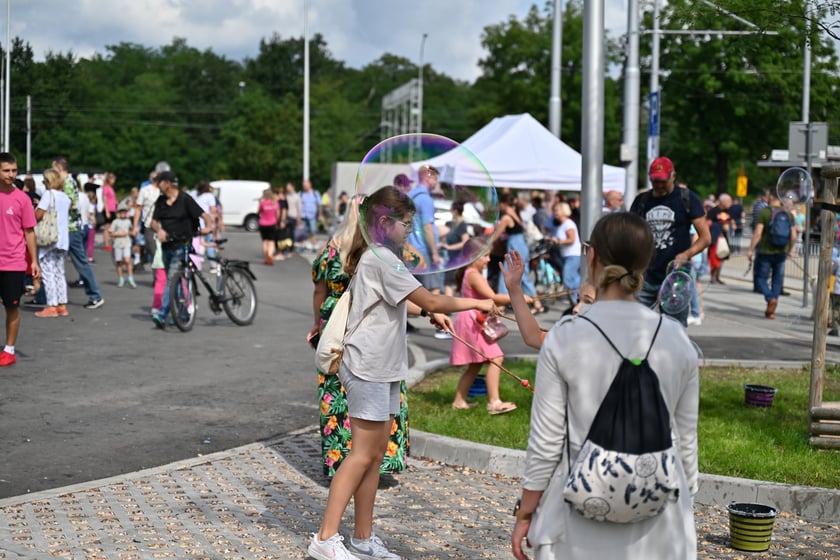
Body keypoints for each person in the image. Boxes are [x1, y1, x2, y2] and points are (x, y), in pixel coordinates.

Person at [307, 185, 497, 560]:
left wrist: (429, 311)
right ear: (384, 222)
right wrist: (478, 302)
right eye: (406, 223)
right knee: (361, 454)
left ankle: (363, 539)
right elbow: (430, 297)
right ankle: (325, 539)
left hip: (383, 365)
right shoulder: (381, 258)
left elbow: (405, 302)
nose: (410, 230)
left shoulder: (382, 257)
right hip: (367, 365)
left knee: (375, 454)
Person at [511, 212, 699, 560]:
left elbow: (546, 443)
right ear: (646, 263)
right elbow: (686, 441)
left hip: (579, 523)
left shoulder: (566, 337)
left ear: (592, 256)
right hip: (661, 526)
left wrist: (526, 513)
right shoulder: (676, 339)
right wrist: (685, 502)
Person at [310, 198, 409, 478]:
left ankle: (340, 459)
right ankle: (377, 461)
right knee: (379, 398)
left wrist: (317, 323)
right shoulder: (379, 253)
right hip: (371, 327)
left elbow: (319, 289)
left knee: (336, 391)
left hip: (335, 319)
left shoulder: (332, 249)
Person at [450, 239, 527, 414]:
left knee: (476, 364)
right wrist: (519, 297)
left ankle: (459, 401)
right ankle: (494, 402)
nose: (488, 260)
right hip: (472, 321)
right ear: (473, 257)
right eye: (485, 256)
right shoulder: (473, 275)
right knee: (496, 357)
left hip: (471, 320)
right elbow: (492, 297)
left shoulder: (470, 273)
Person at [630, 156, 709, 326]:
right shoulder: (642, 201)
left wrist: (686, 254)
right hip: (645, 276)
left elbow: (705, 237)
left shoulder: (687, 198)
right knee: (635, 326)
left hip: (676, 277)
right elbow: (629, 235)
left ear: (673, 176)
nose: (659, 185)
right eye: (655, 181)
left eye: (663, 181)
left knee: (674, 327)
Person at [149, 171, 213, 329]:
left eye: (159, 182)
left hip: (182, 245)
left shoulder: (185, 199)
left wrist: (208, 227)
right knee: (175, 283)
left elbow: (205, 216)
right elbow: (153, 222)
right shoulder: (161, 201)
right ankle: (182, 313)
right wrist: (159, 230)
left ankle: (162, 314)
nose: (157, 185)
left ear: (167, 183)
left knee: (172, 280)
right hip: (166, 246)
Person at [0, 152, 40, 365]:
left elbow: (29, 232)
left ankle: (9, 350)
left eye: (14, 170)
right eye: (6, 170)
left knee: (12, 306)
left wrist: (34, 261)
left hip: (13, 262)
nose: (11, 174)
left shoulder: (22, 199)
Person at [53, 156, 105, 309]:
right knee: (54, 261)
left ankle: (95, 295)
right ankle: (45, 295)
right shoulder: (69, 182)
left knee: (79, 262)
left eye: (54, 168)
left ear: (59, 168)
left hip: (71, 228)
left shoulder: (68, 182)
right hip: (70, 228)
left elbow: (68, 204)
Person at [747, 191, 796, 320]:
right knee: (777, 280)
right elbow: (793, 236)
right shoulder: (788, 214)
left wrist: (750, 249)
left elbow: (758, 233)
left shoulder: (765, 212)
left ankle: (770, 298)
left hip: (765, 251)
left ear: (771, 197)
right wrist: (789, 250)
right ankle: (772, 308)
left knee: (760, 278)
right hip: (781, 252)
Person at [496, 193, 545, 314]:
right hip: (521, 245)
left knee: (507, 273)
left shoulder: (507, 217)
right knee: (523, 274)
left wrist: (486, 244)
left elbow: (496, 234)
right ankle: (537, 303)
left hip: (514, 246)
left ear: (504, 204)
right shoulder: (517, 214)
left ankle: (502, 304)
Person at [33, 169, 72, 318]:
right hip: (62, 238)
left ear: (49, 181)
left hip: (49, 237)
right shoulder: (65, 197)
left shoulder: (48, 194)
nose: (43, 183)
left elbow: (39, 215)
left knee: (48, 272)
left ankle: (51, 305)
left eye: (44, 181)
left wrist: (35, 209)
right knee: (59, 272)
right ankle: (62, 304)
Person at [547, 202, 581, 306]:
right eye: (554, 210)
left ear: (564, 211)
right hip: (565, 255)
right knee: (574, 277)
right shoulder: (559, 225)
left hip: (573, 254)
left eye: (557, 210)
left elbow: (571, 239)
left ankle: (575, 300)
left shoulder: (568, 224)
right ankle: (576, 299)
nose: (555, 213)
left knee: (568, 277)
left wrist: (558, 241)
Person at [440, 200, 470, 297]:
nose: (450, 212)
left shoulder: (462, 225)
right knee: (450, 284)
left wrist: (449, 247)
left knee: (448, 284)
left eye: (451, 210)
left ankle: (449, 304)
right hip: (452, 258)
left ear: (455, 211)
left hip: (457, 259)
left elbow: (465, 242)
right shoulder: (454, 224)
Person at [706, 193, 732, 285]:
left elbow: (729, 221)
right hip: (715, 238)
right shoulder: (714, 211)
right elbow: (708, 223)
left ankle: (717, 277)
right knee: (714, 257)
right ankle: (712, 277)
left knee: (722, 256)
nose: (730, 203)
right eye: (728, 201)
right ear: (722, 201)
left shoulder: (727, 211)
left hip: (724, 238)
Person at [192, 180, 219, 266]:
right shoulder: (209, 196)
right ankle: (213, 264)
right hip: (206, 223)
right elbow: (213, 210)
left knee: (197, 243)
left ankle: (196, 262)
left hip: (194, 223)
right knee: (209, 244)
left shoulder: (193, 194)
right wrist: (213, 224)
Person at [109, 204, 136, 288]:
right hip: (118, 244)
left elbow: (132, 231)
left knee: (127, 261)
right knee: (119, 262)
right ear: (118, 213)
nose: (123, 214)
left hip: (127, 243)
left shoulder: (128, 221)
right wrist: (118, 234)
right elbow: (111, 233)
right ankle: (121, 279)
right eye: (121, 212)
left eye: (124, 212)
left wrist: (133, 232)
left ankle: (130, 278)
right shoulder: (115, 222)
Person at [258, 188, 280, 265]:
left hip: (263, 224)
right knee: (271, 241)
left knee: (265, 241)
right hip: (272, 224)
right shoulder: (275, 203)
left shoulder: (262, 203)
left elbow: (259, 212)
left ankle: (267, 257)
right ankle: (270, 256)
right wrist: (276, 221)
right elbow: (277, 214)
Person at [300, 180, 322, 253]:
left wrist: (320, 214)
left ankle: (314, 246)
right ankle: (302, 246)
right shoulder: (301, 194)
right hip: (303, 216)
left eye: (306, 185)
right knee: (303, 232)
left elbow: (319, 205)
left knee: (313, 231)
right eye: (303, 185)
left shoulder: (315, 193)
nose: (304, 186)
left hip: (312, 216)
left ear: (310, 185)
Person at [101, 172, 119, 251]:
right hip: (108, 209)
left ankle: (111, 243)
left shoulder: (111, 188)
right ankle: (106, 244)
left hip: (113, 209)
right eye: (112, 179)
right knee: (107, 227)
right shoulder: (106, 188)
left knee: (112, 227)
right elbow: (104, 199)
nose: (114, 181)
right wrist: (107, 211)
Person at [285, 182, 302, 255]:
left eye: (288, 186)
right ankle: (286, 247)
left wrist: (299, 218)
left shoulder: (297, 196)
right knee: (286, 233)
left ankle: (291, 249)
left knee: (291, 233)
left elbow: (299, 208)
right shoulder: (286, 196)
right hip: (286, 217)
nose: (287, 188)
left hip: (293, 217)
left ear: (292, 187)